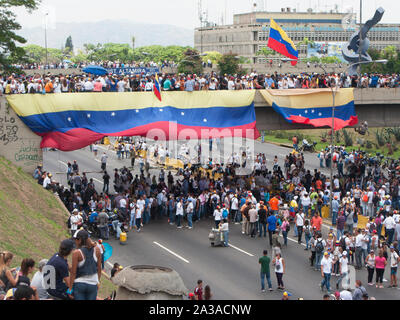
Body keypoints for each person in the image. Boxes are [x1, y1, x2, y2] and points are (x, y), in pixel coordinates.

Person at [69, 230, 102, 300]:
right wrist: (98, 281)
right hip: (93, 284)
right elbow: (99, 269)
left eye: (76, 240)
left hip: (79, 284)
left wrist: (70, 288)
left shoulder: (76, 253)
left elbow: (73, 273)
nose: (75, 242)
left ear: (79, 240)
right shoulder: (97, 250)